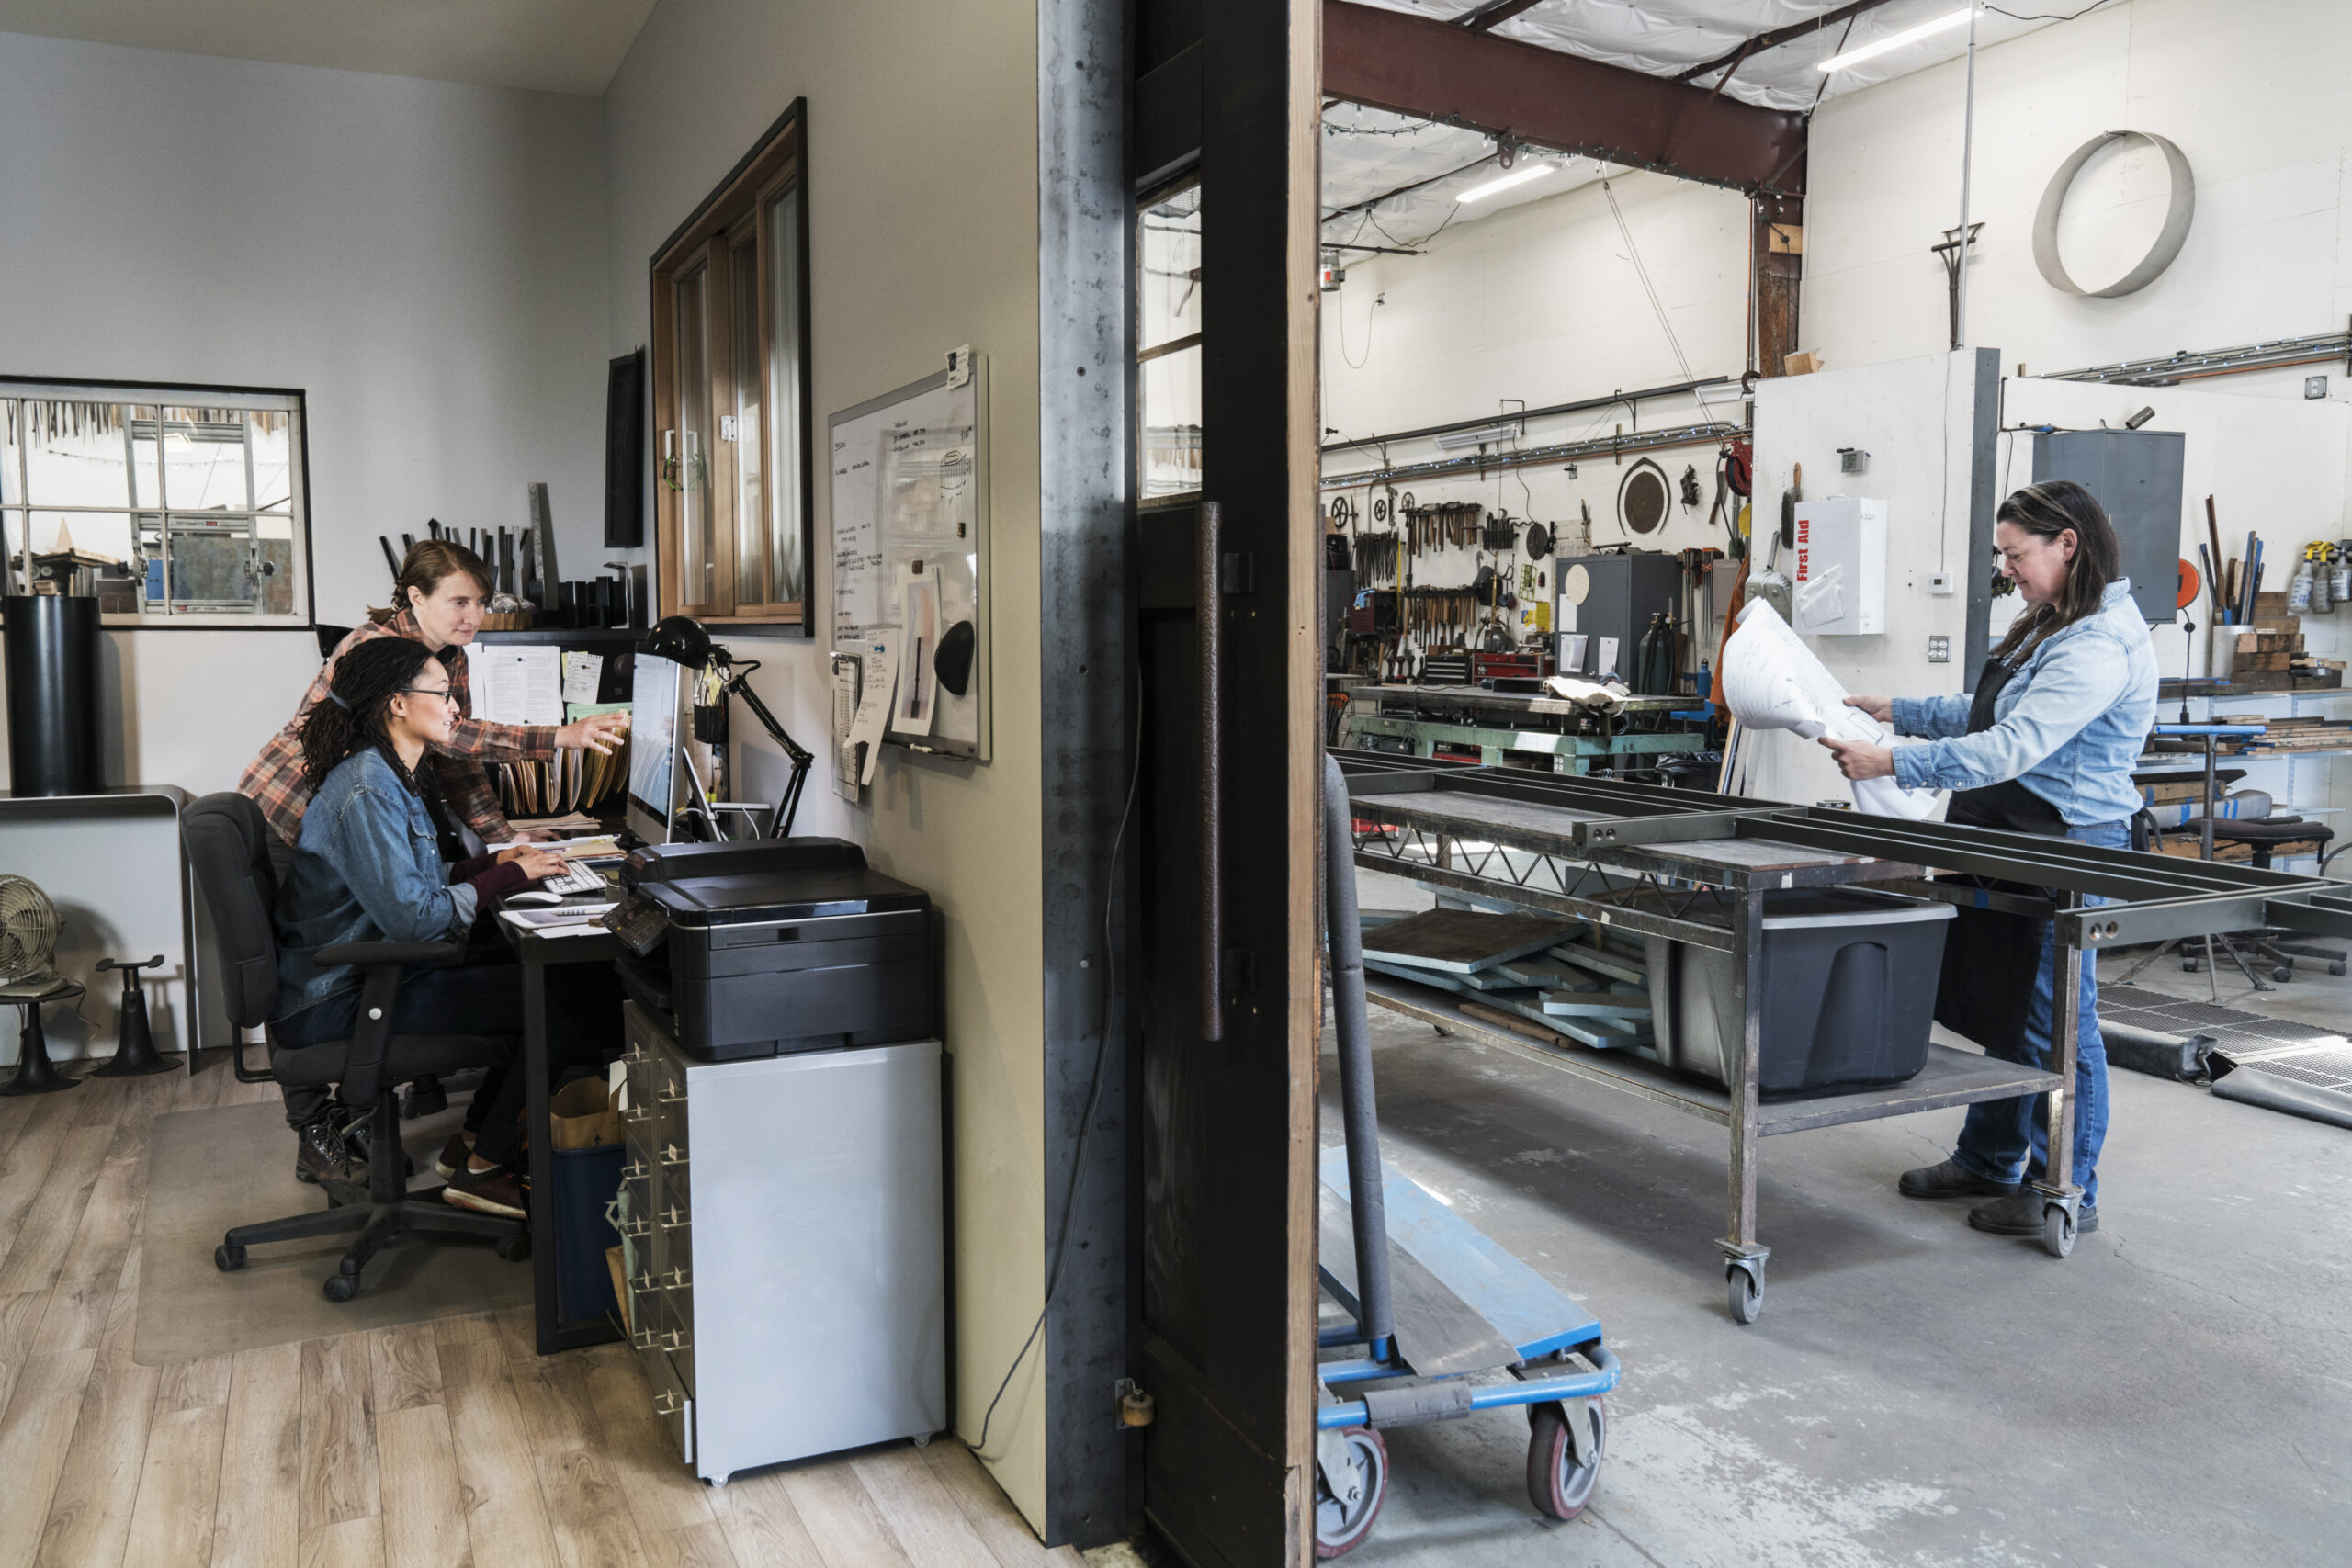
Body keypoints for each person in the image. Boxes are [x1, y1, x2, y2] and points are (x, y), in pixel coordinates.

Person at [1820, 479, 2156, 1238]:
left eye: (2015, 554)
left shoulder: (2099, 643)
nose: (2007, 569)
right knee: (2007, 1003)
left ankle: (2064, 1187)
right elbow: (1988, 710)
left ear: (2066, 543)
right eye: (2002, 556)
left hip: (2066, 840)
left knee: (2060, 1020)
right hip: (2014, 830)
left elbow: (2012, 746)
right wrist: (1895, 710)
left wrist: (1894, 764)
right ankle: (1990, 1157)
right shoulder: (2055, 618)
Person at [241, 540, 627, 1183]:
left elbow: (458, 761)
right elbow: (463, 740)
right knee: (309, 956)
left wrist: (504, 847)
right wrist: (558, 737)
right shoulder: (376, 664)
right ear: (414, 597)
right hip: (290, 810)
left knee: (471, 953)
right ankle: (320, 1127)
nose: (474, 614)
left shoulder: (437, 676)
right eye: (460, 600)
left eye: (481, 601)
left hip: (354, 820)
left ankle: (470, 1136)